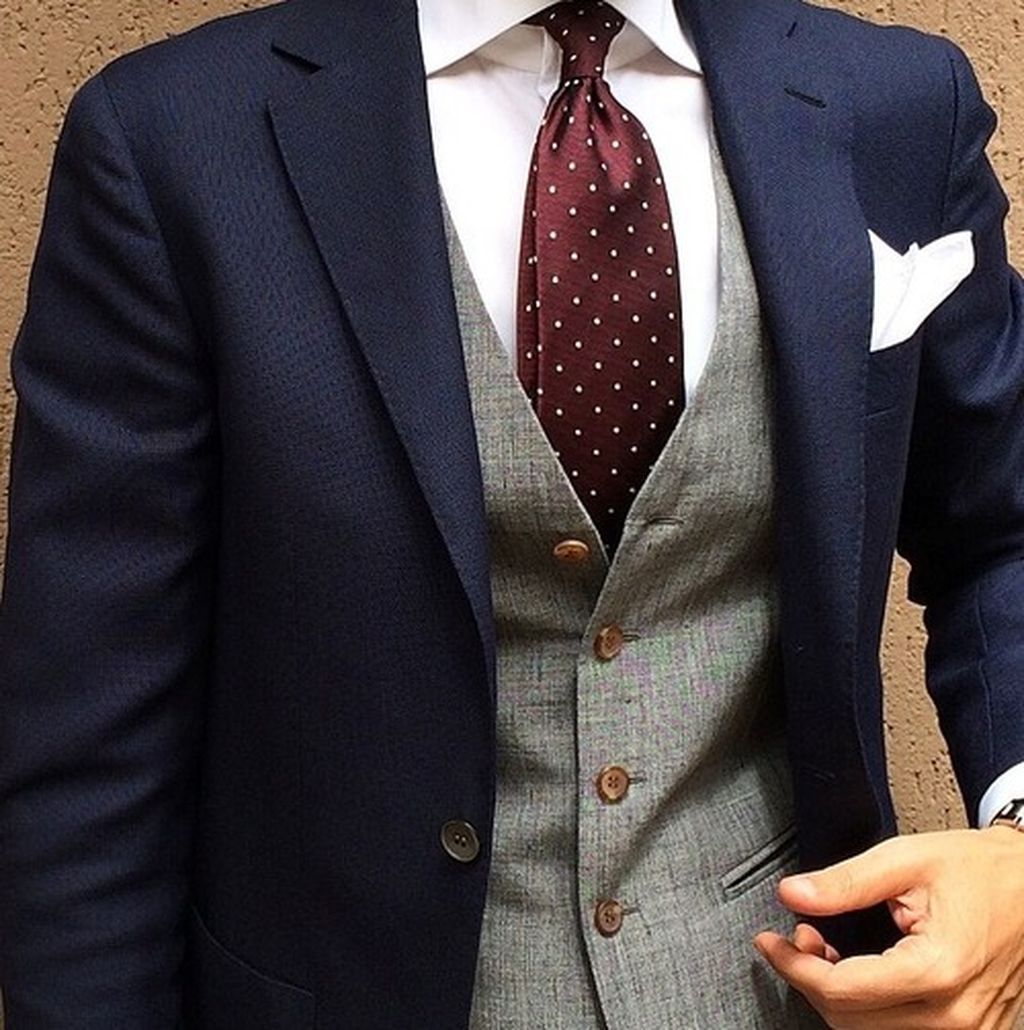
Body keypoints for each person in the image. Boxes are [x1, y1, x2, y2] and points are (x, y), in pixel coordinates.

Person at [2, 0, 1024, 1025]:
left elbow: (1000, 525)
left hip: (785, 987)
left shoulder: (893, 103)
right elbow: (93, 732)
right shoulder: (171, 140)